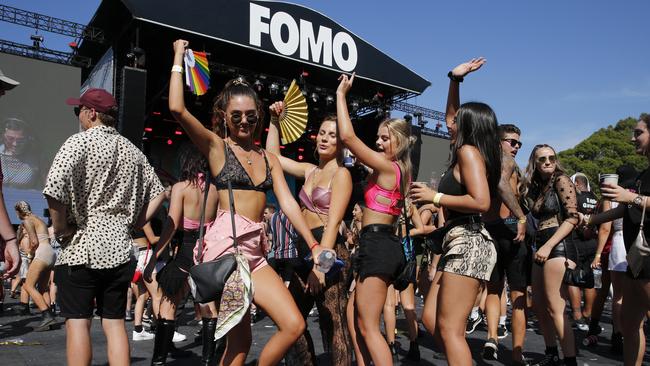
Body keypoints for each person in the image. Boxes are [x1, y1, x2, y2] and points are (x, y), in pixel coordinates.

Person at [169, 39, 322, 366]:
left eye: (251, 117)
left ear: (259, 117)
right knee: (239, 345)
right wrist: (177, 59)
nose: (244, 122)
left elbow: (288, 203)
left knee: (291, 325)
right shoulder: (217, 148)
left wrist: (313, 243)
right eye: (236, 115)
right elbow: (177, 109)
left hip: (256, 251)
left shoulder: (269, 159)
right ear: (224, 116)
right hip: (227, 251)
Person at [44, 87, 166, 366]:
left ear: (92, 113)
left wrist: (62, 230)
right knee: (114, 324)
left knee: (77, 323)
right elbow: (160, 192)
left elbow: (53, 190)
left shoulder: (77, 143)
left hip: (81, 247)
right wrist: (135, 222)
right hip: (121, 249)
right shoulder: (133, 151)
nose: (79, 117)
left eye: (80, 111)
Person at [411, 57, 501, 365]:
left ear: (468, 126)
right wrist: (455, 79)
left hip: (470, 243)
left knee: (450, 330)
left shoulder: (468, 152)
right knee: (431, 319)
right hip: (457, 241)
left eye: (456, 120)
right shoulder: (467, 149)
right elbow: (451, 113)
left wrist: (434, 197)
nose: (450, 122)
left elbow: (481, 202)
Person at [337, 72, 415, 366]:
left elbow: (347, 137)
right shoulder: (396, 170)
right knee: (354, 316)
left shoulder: (387, 167)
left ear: (399, 142)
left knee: (369, 327)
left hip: (379, 244)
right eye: (379, 138)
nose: (379, 142)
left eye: (386, 138)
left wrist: (341, 96)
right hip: (379, 243)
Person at [266, 106, 353, 366]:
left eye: (333, 135)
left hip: (327, 252)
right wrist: (273, 121)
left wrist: (321, 268)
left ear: (341, 142)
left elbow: (333, 224)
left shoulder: (342, 174)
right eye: (322, 133)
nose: (325, 138)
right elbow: (271, 157)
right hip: (302, 249)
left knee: (334, 324)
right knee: (292, 320)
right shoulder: (309, 171)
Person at [582, 114, 650, 366]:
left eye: (639, 132)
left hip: (647, 255)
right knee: (631, 325)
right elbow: (624, 210)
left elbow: (633, 203)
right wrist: (589, 220)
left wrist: (630, 197)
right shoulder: (644, 173)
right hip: (636, 256)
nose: (633, 138)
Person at [144, 147, 219, 365]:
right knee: (209, 308)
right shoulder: (214, 190)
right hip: (208, 251)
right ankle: (208, 361)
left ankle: (159, 361)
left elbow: (172, 224)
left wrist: (154, 257)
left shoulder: (181, 188)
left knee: (168, 304)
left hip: (186, 249)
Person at [521, 144, 579, 366]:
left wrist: (548, 246)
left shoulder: (561, 180)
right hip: (541, 244)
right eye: (541, 159)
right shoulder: (537, 186)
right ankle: (551, 354)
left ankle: (570, 360)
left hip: (557, 244)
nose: (547, 161)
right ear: (534, 163)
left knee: (556, 308)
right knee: (539, 306)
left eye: (551, 157)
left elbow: (572, 218)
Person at [481, 123, 530, 365]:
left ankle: (492, 338)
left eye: (519, 143)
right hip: (509, 227)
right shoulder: (504, 161)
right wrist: (521, 216)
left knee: (494, 288)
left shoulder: (483, 162)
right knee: (517, 292)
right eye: (512, 142)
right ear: (499, 142)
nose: (517, 147)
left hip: (490, 228)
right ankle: (517, 353)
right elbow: (501, 184)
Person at [15, 200, 56, 330]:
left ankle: (47, 315)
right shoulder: (39, 219)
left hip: (41, 253)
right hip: (50, 253)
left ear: (18, 212)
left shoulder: (27, 221)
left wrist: (29, 254)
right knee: (43, 288)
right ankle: (49, 316)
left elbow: (33, 242)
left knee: (28, 285)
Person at [567, 173, 599, 331]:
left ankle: (577, 316)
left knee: (573, 279)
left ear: (577, 183)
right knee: (589, 279)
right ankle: (588, 313)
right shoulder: (596, 198)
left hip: (577, 241)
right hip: (593, 242)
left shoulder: (576, 198)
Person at [0, 118, 41, 189]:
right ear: (3, 136)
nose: (15, 144)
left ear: (28, 139)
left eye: (21, 140)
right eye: (10, 139)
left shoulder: (37, 159)